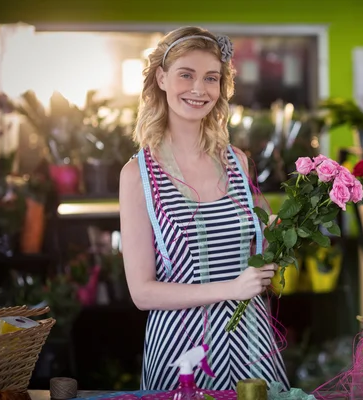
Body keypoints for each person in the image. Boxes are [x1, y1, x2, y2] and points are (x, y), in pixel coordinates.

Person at [119, 26, 290, 391]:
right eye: (186, 75)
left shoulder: (237, 163)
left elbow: (260, 252)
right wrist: (232, 288)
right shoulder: (138, 175)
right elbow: (142, 292)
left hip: (253, 343)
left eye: (211, 78)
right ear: (161, 78)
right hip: (183, 353)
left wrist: (283, 233)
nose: (199, 89)